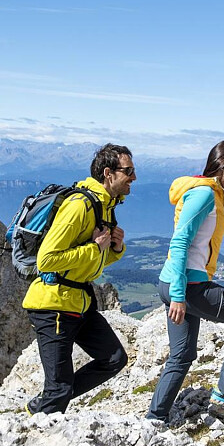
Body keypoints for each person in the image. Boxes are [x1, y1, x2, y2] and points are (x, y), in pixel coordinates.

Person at [147, 139, 224, 423]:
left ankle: (154, 418)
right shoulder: (203, 195)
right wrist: (178, 295)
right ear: (222, 166)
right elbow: (179, 243)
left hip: (178, 282)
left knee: (182, 355)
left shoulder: (210, 192)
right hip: (189, 286)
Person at [22, 143, 135, 414]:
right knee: (59, 389)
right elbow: (46, 260)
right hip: (53, 306)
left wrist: (115, 250)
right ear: (109, 173)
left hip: (80, 303)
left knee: (114, 359)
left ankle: (50, 400)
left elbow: (89, 263)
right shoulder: (79, 206)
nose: (134, 177)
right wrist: (94, 247)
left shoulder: (105, 206)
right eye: (128, 171)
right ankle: (43, 413)